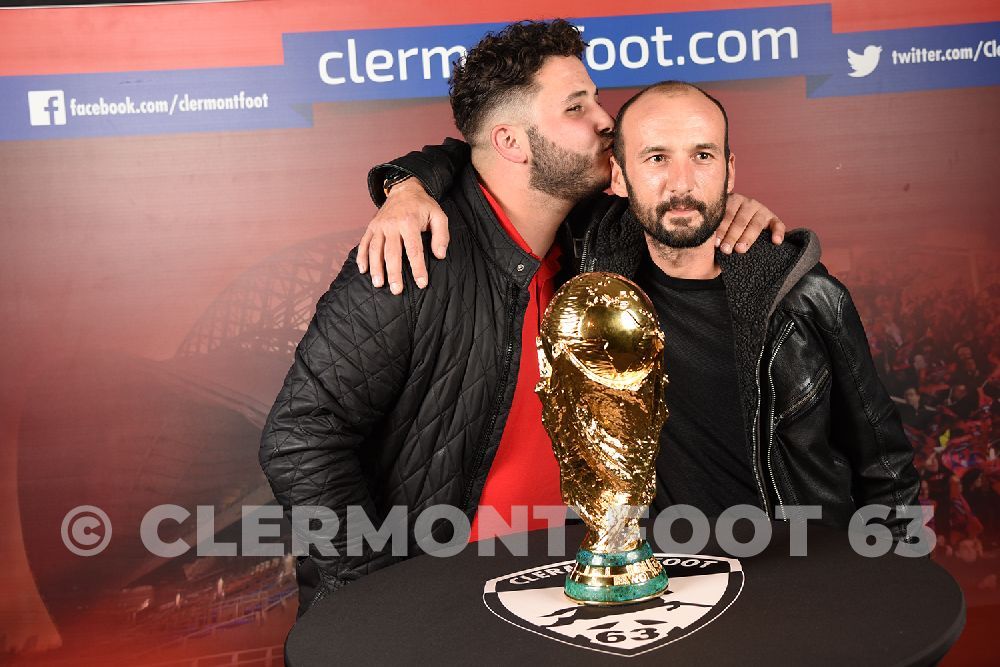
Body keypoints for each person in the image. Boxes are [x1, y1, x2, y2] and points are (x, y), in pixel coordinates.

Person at [259, 20, 784, 614]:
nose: (605, 120)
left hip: (581, 594)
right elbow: (300, 437)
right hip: (448, 607)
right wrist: (373, 596)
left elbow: (680, 207)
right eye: (576, 106)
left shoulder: (598, 242)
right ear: (512, 142)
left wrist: (728, 212)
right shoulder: (413, 255)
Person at [365, 79, 920, 535]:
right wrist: (406, 185)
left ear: (730, 169)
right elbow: (483, 154)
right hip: (656, 587)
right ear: (618, 175)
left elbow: (886, 466)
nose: (683, 184)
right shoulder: (590, 254)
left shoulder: (806, 297)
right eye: (656, 158)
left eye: (702, 156)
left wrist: (892, 592)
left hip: (797, 573)